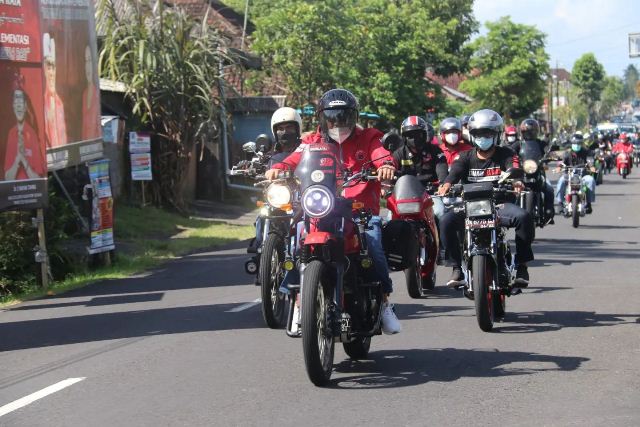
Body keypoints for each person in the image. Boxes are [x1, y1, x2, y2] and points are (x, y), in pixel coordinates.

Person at [265, 88, 401, 335]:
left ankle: (384, 302)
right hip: (321, 209)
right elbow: (294, 158)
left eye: (343, 116)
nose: (337, 122)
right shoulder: (311, 141)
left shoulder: (368, 137)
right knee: (296, 239)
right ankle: (298, 302)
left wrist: (386, 166)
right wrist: (279, 168)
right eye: (332, 116)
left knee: (373, 243)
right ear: (322, 118)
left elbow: (381, 154)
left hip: (359, 211)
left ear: (353, 116)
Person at [436, 109, 534, 288]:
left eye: (487, 133)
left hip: (499, 204)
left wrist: (517, 181)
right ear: (472, 136)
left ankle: (522, 265)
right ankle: (456, 268)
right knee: (445, 221)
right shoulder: (465, 156)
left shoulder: (506, 153)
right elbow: (455, 171)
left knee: (524, 217)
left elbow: (513, 167)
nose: (483, 138)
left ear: (496, 135)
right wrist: (447, 184)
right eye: (479, 134)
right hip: (470, 206)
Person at [247, 107, 303, 255]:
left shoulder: (305, 149)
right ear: (275, 131)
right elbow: (259, 163)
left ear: (297, 128)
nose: (285, 132)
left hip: (300, 198)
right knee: (262, 216)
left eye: (289, 127)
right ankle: (261, 252)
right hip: (277, 197)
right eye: (280, 128)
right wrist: (249, 166)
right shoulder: (269, 154)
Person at [392, 115, 448, 219]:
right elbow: (391, 168)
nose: (414, 138)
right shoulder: (398, 154)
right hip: (403, 196)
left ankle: (438, 236)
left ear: (424, 134)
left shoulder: (435, 151)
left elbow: (442, 168)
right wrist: (385, 184)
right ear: (404, 137)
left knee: (440, 213)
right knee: (389, 219)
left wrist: (443, 184)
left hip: (430, 194)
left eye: (418, 134)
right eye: (410, 135)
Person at [509, 118, 556, 222]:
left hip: (538, 173)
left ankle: (549, 212)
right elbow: (509, 151)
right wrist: (507, 155)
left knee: (549, 189)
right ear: (522, 132)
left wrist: (551, 155)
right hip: (523, 173)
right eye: (527, 132)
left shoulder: (540, 143)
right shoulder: (519, 144)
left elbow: (547, 151)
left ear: (536, 132)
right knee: (508, 189)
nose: (529, 134)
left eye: (532, 131)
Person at [4, 80, 46, 180]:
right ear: (13, 106)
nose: (18, 106)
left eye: (21, 102)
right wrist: (17, 160)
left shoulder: (32, 134)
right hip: (15, 194)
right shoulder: (10, 134)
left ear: (25, 106)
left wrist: (24, 160)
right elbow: (7, 178)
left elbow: (38, 178)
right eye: (16, 102)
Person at [555, 133, 596, 213]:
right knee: (561, 181)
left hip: (583, 175)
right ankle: (560, 203)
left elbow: (590, 160)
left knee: (591, 180)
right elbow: (562, 161)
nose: (576, 145)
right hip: (568, 175)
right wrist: (559, 167)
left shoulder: (586, 152)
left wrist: (591, 166)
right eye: (575, 143)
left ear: (581, 143)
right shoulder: (567, 152)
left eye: (578, 143)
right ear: (572, 143)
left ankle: (589, 203)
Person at [43, 33, 67, 148]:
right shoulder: (42, 104)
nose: (51, 73)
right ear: (44, 71)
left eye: (53, 68)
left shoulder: (59, 103)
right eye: (48, 68)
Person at [82, 45, 101, 140]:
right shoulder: (84, 94)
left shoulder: (97, 94)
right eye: (85, 61)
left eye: (89, 60)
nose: (87, 66)